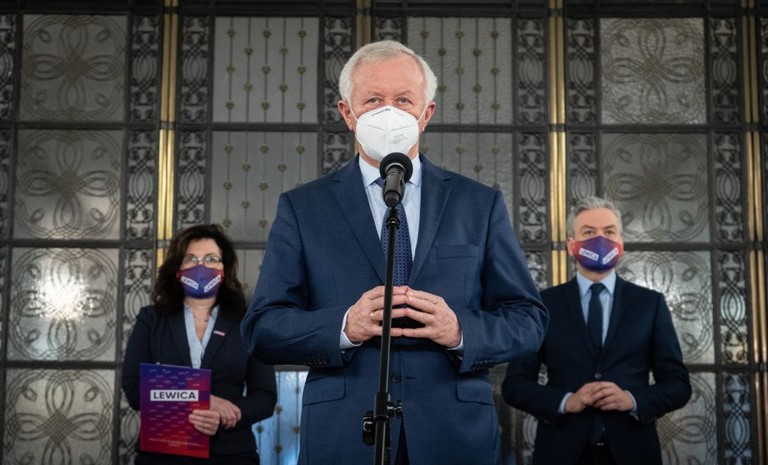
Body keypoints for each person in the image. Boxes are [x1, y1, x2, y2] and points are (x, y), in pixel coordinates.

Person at [240, 40, 548, 465]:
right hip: (343, 437)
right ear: (347, 112)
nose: (389, 112)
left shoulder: (478, 204)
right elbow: (262, 327)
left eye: (403, 100)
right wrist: (344, 326)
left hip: (454, 436)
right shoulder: (303, 207)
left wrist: (460, 331)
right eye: (373, 100)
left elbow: (528, 320)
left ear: (427, 113)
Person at [502, 196, 692, 465]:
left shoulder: (650, 304)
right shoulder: (544, 305)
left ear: (621, 243)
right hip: (560, 452)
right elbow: (515, 385)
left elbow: (678, 385)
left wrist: (632, 400)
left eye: (609, 232)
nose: (600, 239)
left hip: (634, 452)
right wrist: (567, 401)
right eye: (589, 232)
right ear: (571, 244)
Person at [122, 224, 277, 465]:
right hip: (163, 454)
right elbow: (134, 387)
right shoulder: (151, 319)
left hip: (232, 455)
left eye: (211, 259)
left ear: (224, 269)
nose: (201, 266)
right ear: (178, 269)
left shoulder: (247, 323)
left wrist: (224, 415)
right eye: (191, 259)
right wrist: (201, 399)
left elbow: (265, 397)